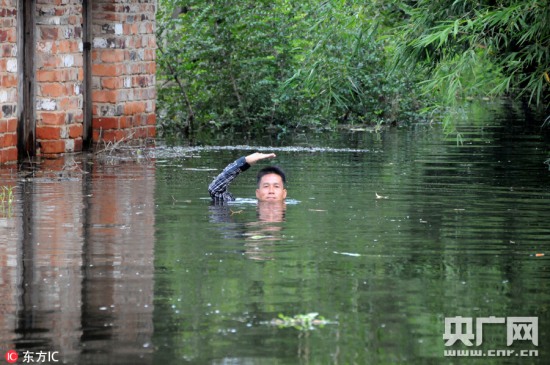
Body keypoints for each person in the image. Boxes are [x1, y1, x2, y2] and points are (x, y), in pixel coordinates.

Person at [208, 152, 287, 203]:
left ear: (284, 193)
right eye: (266, 186)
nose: (271, 191)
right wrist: (244, 162)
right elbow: (215, 190)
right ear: (257, 193)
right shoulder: (251, 226)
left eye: (276, 186)